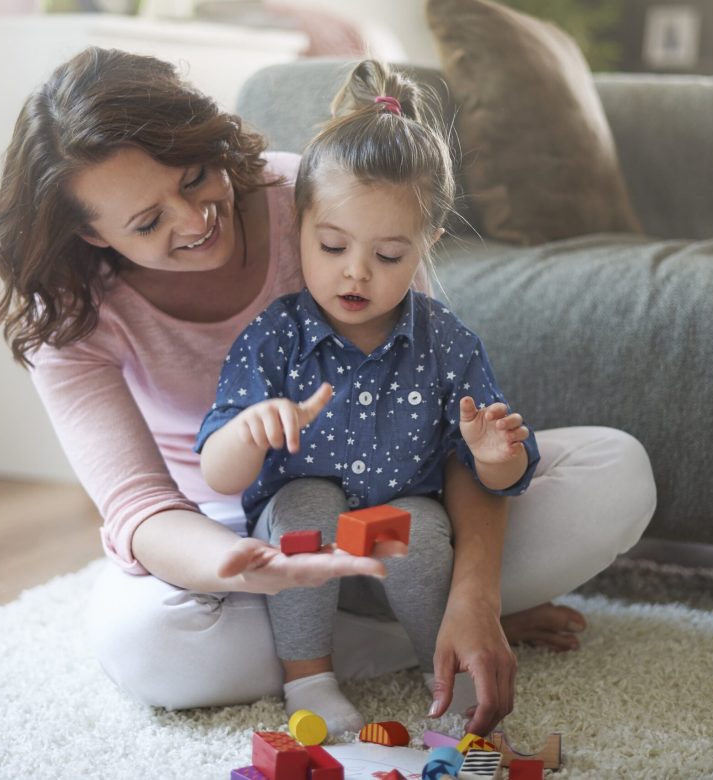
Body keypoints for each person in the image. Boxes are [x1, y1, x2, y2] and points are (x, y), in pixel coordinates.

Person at [0, 46, 657, 738]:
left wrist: (476, 595)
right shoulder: (65, 317)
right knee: (149, 646)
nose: (193, 220)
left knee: (617, 471)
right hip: (230, 527)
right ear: (89, 232)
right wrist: (241, 568)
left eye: (194, 177)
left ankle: (428, 621)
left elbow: (446, 422)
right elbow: (141, 510)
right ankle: (381, 641)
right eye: (148, 223)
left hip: (408, 506)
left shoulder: (323, 201)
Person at [194, 59, 540, 736]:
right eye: (332, 246)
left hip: (400, 536)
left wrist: (495, 456)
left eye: (387, 256)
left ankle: (441, 664)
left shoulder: (446, 341)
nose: (355, 272)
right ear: (299, 228)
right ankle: (308, 677)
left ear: (426, 246)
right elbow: (218, 472)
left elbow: (499, 480)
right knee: (305, 505)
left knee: (421, 527)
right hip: (300, 544)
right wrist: (251, 429)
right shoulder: (275, 336)